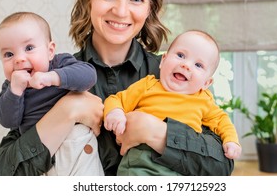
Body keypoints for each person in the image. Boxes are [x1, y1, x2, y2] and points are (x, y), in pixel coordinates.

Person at [0, 0, 234, 176]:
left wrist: (156, 132)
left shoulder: (176, 78)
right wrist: (67, 110)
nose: (120, 11)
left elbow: (222, 165)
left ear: (150, 8)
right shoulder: (53, 75)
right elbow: (7, 175)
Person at [104, 30, 242, 175]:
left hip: (182, 164)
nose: (186, 65)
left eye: (198, 65)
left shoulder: (204, 99)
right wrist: (115, 112)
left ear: (206, 83)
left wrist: (231, 140)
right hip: (141, 161)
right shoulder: (148, 84)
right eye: (180, 55)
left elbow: (221, 120)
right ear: (163, 60)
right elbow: (116, 99)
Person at [0, 11, 103, 175]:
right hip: (43, 157)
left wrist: (52, 78)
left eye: (29, 48)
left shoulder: (59, 63)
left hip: (77, 143)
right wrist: (15, 91)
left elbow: (88, 76)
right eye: (9, 54)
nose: (19, 59)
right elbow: (8, 121)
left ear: (50, 50)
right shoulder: (10, 87)